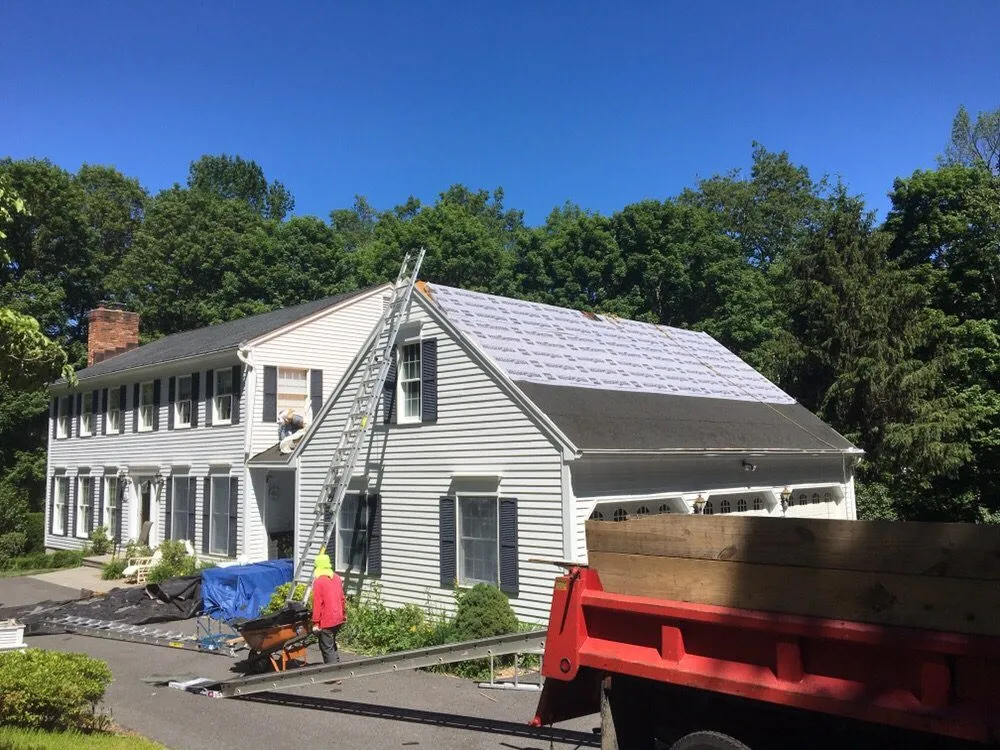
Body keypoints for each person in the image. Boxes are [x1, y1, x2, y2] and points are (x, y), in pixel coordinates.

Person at [311, 549, 346, 664]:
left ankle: (333, 675)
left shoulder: (319, 581)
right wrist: (344, 614)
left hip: (327, 619)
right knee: (332, 644)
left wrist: (316, 622)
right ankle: (337, 668)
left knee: (326, 647)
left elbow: (317, 604)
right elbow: (342, 599)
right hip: (338, 617)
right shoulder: (336, 578)